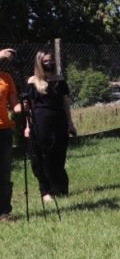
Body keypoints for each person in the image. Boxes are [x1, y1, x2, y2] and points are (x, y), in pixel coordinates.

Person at [24, 50, 75, 203]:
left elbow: (65, 103)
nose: (49, 63)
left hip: (59, 123)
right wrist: (27, 126)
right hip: (40, 124)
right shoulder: (33, 81)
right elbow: (30, 107)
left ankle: (60, 188)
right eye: (45, 61)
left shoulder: (59, 79)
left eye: (50, 60)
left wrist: (70, 123)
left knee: (58, 157)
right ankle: (45, 190)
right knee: (41, 159)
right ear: (39, 63)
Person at [0, 49, 21, 222]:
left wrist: (27, 105)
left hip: (3, 130)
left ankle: (4, 212)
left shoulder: (6, 78)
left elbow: (15, 106)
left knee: (4, 173)